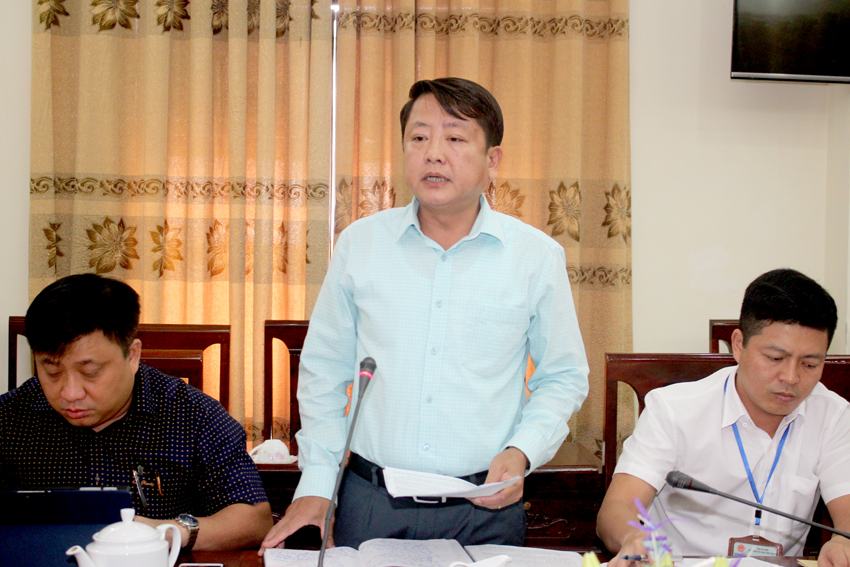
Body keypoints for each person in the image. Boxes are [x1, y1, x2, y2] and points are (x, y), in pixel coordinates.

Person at [261, 77, 589, 551]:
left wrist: (523, 450)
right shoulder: (360, 245)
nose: (434, 154)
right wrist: (316, 484)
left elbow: (563, 377)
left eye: (455, 138)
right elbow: (324, 374)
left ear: (492, 160)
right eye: (419, 137)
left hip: (485, 506)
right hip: (370, 500)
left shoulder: (535, 257)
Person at [0, 274, 273, 551]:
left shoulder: (194, 416)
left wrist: (162, 533)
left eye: (90, 372)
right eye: (52, 371)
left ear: (132, 355)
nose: (70, 393)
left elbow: (253, 520)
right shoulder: (8, 419)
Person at [597, 268, 850, 567]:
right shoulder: (674, 409)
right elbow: (618, 507)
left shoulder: (833, 416)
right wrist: (631, 537)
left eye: (809, 364)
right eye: (775, 358)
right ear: (739, 344)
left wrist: (843, 541)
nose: (791, 377)